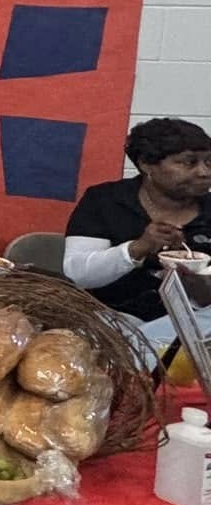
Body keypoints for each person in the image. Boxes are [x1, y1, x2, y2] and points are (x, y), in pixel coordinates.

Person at [64, 117, 211, 369]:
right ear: (146, 164)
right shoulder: (105, 201)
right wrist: (137, 248)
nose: (204, 172)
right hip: (110, 317)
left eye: (209, 162)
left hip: (193, 325)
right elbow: (79, 273)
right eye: (189, 162)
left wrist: (196, 283)